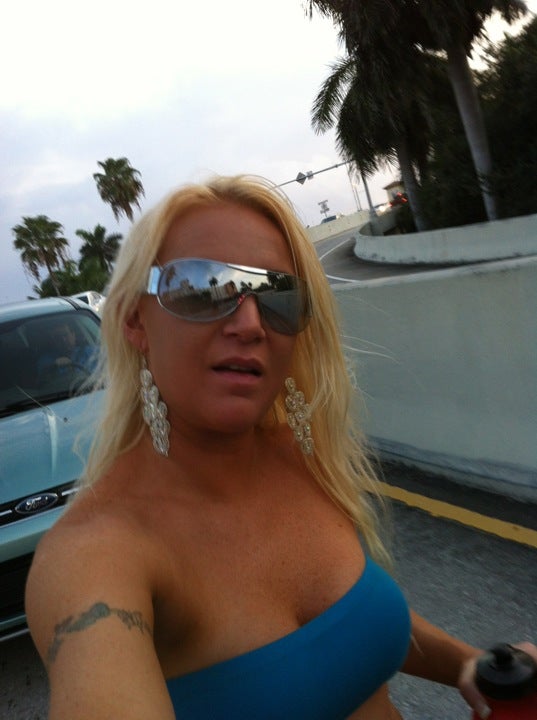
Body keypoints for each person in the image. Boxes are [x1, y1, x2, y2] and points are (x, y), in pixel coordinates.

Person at [25, 175, 535, 719]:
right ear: (135, 320)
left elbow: (347, 621)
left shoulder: (298, 455)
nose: (250, 324)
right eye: (204, 287)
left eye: (278, 296)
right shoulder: (94, 555)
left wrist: (470, 664)